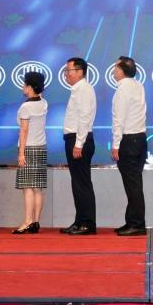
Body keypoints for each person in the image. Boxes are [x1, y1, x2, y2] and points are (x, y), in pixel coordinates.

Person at [111, 55, 148, 236]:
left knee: (132, 185)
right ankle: (132, 221)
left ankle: (137, 224)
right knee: (134, 183)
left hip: (128, 140)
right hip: (140, 139)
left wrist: (116, 144)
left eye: (116, 67)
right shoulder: (138, 85)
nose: (113, 70)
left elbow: (119, 119)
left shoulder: (123, 89)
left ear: (121, 70)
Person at [61, 57, 98, 235]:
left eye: (68, 71)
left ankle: (87, 223)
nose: (66, 74)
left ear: (80, 72)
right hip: (74, 139)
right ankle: (79, 221)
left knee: (82, 183)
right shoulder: (77, 90)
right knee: (77, 183)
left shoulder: (84, 89)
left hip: (79, 140)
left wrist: (79, 143)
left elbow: (85, 117)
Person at [13, 71, 48, 235]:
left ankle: (27, 221)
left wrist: (21, 154)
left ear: (30, 87)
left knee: (27, 187)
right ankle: (35, 222)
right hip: (41, 147)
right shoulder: (43, 103)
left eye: (25, 84)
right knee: (37, 188)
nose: (23, 87)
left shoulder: (26, 107)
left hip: (28, 148)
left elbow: (24, 130)